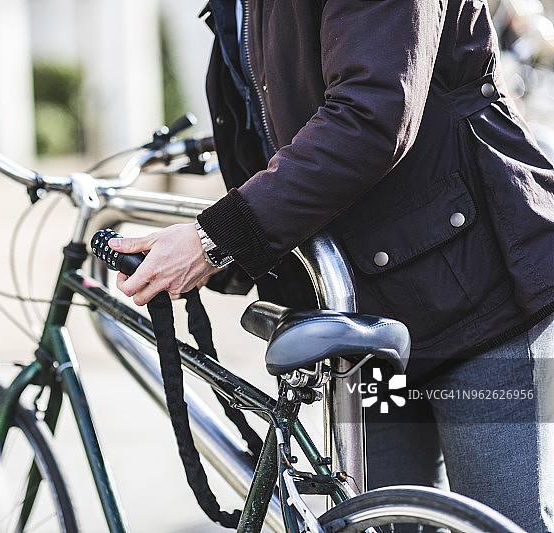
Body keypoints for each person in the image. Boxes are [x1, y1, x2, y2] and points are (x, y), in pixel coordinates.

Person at [109, 1, 554, 531]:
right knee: (377, 524)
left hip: (479, 295)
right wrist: (221, 258)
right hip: (368, 318)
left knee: (503, 523)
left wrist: (213, 240)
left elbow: (372, 113)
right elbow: (267, 128)